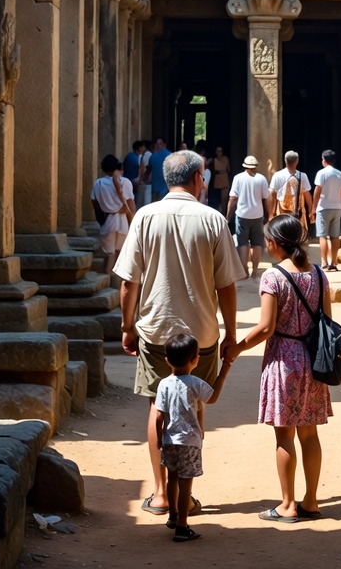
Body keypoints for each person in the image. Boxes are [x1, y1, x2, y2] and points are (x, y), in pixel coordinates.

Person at [114, 150, 242, 519]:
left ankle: (159, 493)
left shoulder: (145, 216)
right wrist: (231, 333)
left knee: (158, 406)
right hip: (201, 333)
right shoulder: (213, 220)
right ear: (199, 179)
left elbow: (128, 282)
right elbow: (227, 287)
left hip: (156, 329)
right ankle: (184, 494)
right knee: (194, 407)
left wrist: (127, 327)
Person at [230, 215, 331, 522]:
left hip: (284, 361)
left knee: (284, 436)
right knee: (309, 434)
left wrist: (237, 347)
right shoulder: (318, 274)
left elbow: (265, 328)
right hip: (313, 361)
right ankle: (310, 501)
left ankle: (287, 505)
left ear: (274, 244)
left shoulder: (273, 278)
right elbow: (327, 320)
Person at [155, 332, 231, 543]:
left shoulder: (164, 384)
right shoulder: (195, 383)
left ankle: (172, 516)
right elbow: (212, 398)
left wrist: (161, 437)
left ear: (167, 360)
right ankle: (182, 526)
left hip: (170, 440)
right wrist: (224, 370)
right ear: (195, 359)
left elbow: (159, 414)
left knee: (172, 478)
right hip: (189, 442)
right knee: (186, 483)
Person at [90, 154, 135, 276]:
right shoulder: (125, 182)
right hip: (123, 221)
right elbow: (131, 206)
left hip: (107, 220)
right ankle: (117, 282)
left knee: (110, 253)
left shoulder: (98, 184)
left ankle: (108, 276)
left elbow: (95, 203)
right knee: (120, 252)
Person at [227, 156, 270, 278]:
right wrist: (269, 214)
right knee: (257, 244)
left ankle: (244, 271)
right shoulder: (261, 179)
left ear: (244, 166)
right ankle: (255, 271)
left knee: (243, 243)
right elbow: (266, 198)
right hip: (257, 215)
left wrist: (228, 216)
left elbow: (232, 198)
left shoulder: (238, 178)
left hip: (242, 215)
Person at [311, 150, 341, 271]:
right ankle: (334, 262)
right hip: (336, 208)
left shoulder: (321, 173)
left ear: (324, 160)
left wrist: (314, 207)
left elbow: (317, 191)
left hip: (323, 207)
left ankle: (324, 262)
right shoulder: (339, 174)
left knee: (323, 235)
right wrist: (337, 201)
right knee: (335, 236)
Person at [268, 150, 312, 236]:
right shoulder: (302, 176)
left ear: (285, 160)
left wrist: (271, 214)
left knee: (283, 234)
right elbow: (307, 195)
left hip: (281, 211)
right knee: (296, 235)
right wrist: (311, 211)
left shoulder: (277, 175)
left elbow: (272, 195)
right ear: (297, 161)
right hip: (297, 212)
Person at [148, 137, 172, 202]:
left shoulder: (153, 157)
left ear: (164, 144)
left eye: (160, 144)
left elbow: (148, 172)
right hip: (168, 187)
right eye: (157, 144)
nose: (158, 145)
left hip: (155, 188)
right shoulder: (172, 156)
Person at [207, 145, 231, 210]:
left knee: (224, 202)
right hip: (216, 183)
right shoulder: (212, 160)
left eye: (220, 151)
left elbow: (229, 170)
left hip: (224, 182)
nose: (219, 153)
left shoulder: (225, 159)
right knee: (215, 202)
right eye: (217, 151)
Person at [136, 140, 153, 208]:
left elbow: (144, 169)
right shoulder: (146, 154)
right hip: (144, 181)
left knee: (143, 201)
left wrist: (140, 180)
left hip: (145, 181)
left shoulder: (147, 154)